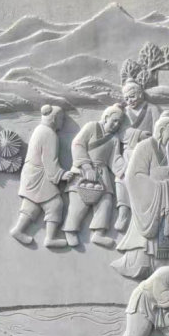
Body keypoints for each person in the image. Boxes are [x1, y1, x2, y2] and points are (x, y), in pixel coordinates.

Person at [112, 112, 169, 280]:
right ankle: (142, 266)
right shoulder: (144, 147)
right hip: (148, 202)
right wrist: (158, 188)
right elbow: (134, 175)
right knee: (143, 247)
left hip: (168, 203)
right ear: (161, 130)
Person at [10, 105, 73, 248]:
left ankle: (18, 230)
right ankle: (50, 238)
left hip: (32, 173)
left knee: (31, 204)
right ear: (54, 118)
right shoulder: (49, 134)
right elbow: (49, 161)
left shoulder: (40, 130)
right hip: (40, 175)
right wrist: (61, 175)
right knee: (55, 204)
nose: (62, 122)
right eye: (61, 119)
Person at [63, 105, 125, 248]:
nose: (116, 125)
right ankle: (70, 230)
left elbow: (115, 159)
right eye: (114, 120)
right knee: (79, 204)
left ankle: (98, 234)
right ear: (106, 118)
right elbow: (77, 144)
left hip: (102, 173)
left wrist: (124, 170)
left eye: (119, 123)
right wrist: (86, 166)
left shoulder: (114, 139)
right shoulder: (91, 127)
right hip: (82, 171)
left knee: (106, 202)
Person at [114, 81, 161, 232]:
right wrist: (138, 134)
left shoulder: (152, 109)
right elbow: (119, 132)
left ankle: (146, 214)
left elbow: (158, 130)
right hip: (128, 151)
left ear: (140, 94)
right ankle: (123, 213)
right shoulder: (124, 113)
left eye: (132, 96)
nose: (130, 101)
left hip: (147, 151)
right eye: (126, 98)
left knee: (144, 180)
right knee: (121, 178)